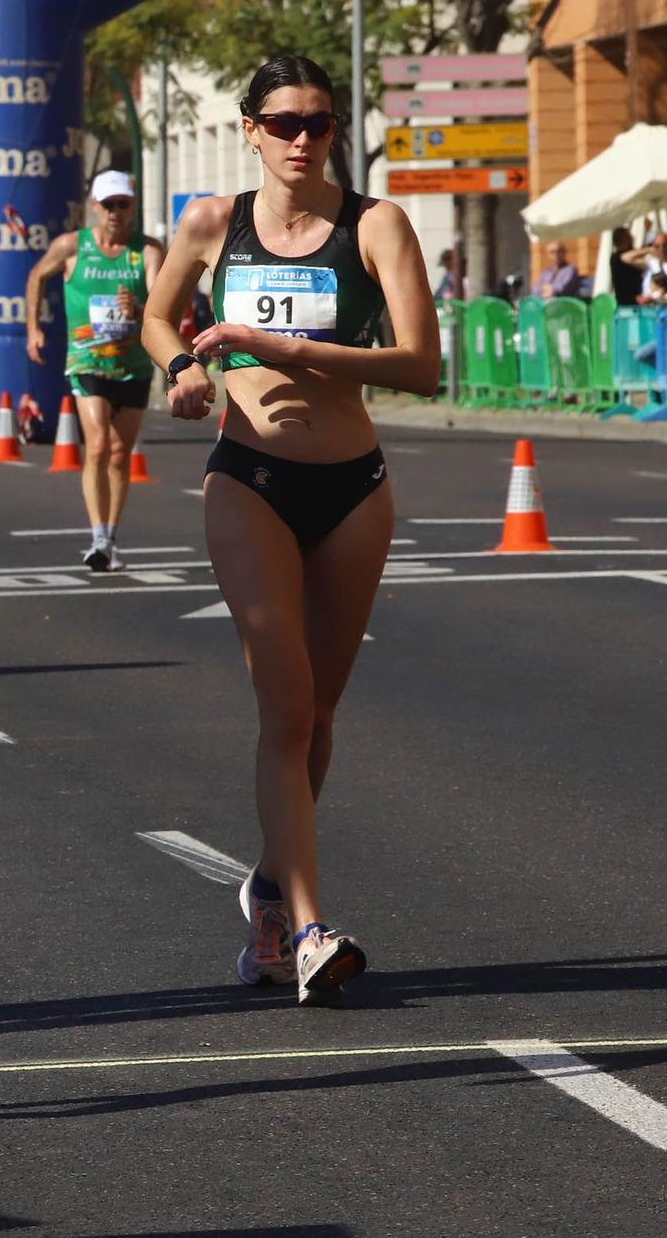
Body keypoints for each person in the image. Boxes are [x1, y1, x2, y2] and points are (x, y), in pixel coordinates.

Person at [140, 55, 439, 1004]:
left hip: (354, 487)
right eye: (283, 122)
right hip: (250, 479)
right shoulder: (209, 224)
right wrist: (182, 371)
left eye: (319, 121)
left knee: (319, 715)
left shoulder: (375, 226)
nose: (302, 137)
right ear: (250, 129)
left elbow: (424, 365)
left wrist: (280, 348)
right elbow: (156, 316)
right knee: (285, 706)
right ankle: (309, 928)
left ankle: (267, 893)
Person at [24, 169, 163, 571]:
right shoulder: (72, 247)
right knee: (98, 445)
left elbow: (163, 306)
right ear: (94, 207)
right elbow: (36, 275)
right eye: (108, 205)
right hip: (86, 360)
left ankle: (112, 537)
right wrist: (33, 329)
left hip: (133, 363)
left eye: (123, 204)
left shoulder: (148, 251)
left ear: (132, 206)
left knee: (121, 454)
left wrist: (137, 310)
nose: (116, 212)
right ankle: (97, 537)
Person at [611, 228, 647, 307]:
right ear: (623, 239)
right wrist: (650, 249)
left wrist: (646, 231)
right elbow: (628, 256)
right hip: (627, 303)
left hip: (639, 301)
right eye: (629, 236)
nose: (632, 238)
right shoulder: (616, 258)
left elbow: (639, 253)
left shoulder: (629, 253)